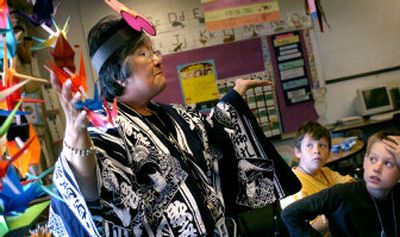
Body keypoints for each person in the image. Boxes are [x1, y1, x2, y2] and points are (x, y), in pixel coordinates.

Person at [47, 14, 301, 237]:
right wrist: (75, 134)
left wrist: (234, 97)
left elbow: (214, 130)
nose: (157, 59)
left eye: (154, 51)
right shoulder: (106, 129)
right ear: (116, 75)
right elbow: (88, 189)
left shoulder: (176, 116)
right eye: (143, 54)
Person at [281, 131, 400, 237]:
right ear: (365, 160)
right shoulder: (340, 194)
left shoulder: (326, 173)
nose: (376, 168)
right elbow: (290, 214)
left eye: (388, 163)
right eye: (373, 159)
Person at [280, 121, 355, 235]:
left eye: (322, 145)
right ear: (298, 152)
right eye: (309, 145)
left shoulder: (326, 172)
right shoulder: (291, 184)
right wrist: (338, 209)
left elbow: (352, 186)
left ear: (329, 153)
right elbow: (302, 229)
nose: (317, 151)